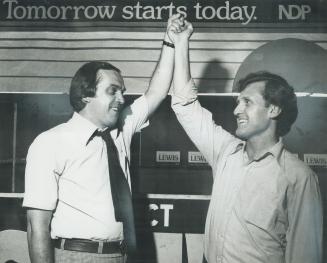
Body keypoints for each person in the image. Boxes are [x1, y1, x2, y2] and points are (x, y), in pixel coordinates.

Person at [23, 14, 186, 263]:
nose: (122, 98)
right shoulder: (50, 143)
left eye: (122, 91)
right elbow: (37, 227)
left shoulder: (121, 130)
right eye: (113, 91)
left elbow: (156, 92)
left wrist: (170, 42)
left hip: (121, 255)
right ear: (86, 96)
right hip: (75, 256)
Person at [171, 20, 323, 263]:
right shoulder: (225, 152)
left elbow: (305, 256)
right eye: (237, 102)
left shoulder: (299, 177)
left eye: (247, 102)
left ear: (273, 110)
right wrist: (180, 43)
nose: (236, 110)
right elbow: (184, 106)